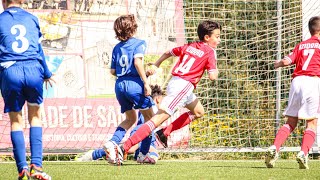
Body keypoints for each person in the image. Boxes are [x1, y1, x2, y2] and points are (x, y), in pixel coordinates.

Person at [108, 20, 221, 163]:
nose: (219, 39)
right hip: (183, 87)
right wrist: (215, 69)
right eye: (217, 36)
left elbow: (168, 52)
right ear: (207, 37)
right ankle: (124, 147)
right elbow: (212, 76)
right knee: (155, 120)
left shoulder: (190, 45)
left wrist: (156, 64)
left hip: (176, 83)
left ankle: (165, 132)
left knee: (198, 111)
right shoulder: (210, 51)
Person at [0, 0, 55, 179]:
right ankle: (37, 166)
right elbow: (39, 50)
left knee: (16, 121)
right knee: (36, 117)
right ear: (22, 1)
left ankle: (22, 168)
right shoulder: (32, 18)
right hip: (33, 70)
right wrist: (46, 73)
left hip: (11, 71)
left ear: (3, 2)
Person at [265, 16, 320, 170]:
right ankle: (303, 153)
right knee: (312, 122)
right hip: (313, 81)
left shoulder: (301, 45)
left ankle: (275, 147)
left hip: (297, 82)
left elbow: (287, 61)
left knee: (291, 121)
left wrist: (277, 64)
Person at [102, 14, 156, 165]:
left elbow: (113, 71)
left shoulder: (117, 48)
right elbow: (137, 62)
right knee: (151, 121)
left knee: (130, 119)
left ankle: (112, 142)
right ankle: (143, 154)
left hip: (120, 85)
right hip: (135, 85)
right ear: (133, 28)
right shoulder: (139, 43)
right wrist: (145, 82)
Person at [75, 84, 165, 163]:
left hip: (149, 136)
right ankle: (94, 154)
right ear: (157, 99)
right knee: (129, 149)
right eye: (162, 100)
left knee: (153, 154)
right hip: (141, 132)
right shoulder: (154, 107)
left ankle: (140, 155)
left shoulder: (147, 104)